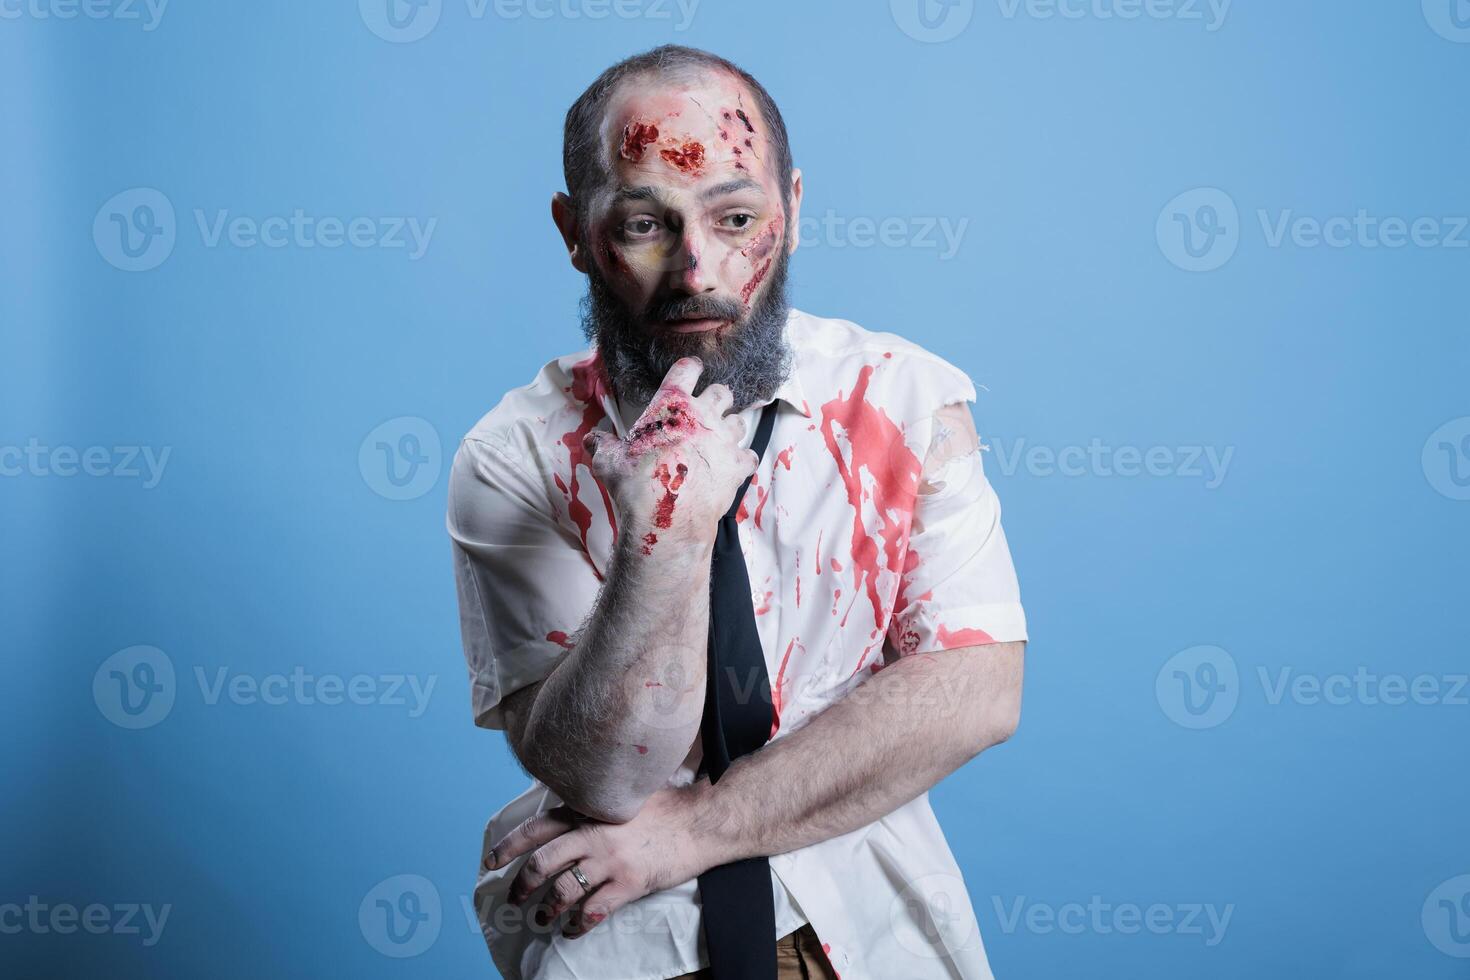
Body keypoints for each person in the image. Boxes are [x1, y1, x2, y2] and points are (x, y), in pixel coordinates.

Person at [447, 43, 1028, 980]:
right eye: (644, 223)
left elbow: (976, 692)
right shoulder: (514, 458)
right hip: (627, 947)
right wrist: (662, 540)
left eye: (737, 217)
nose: (695, 269)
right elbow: (600, 775)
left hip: (872, 937)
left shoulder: (904, 400)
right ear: (573, 231)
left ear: (792, 212)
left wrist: (693, 832)